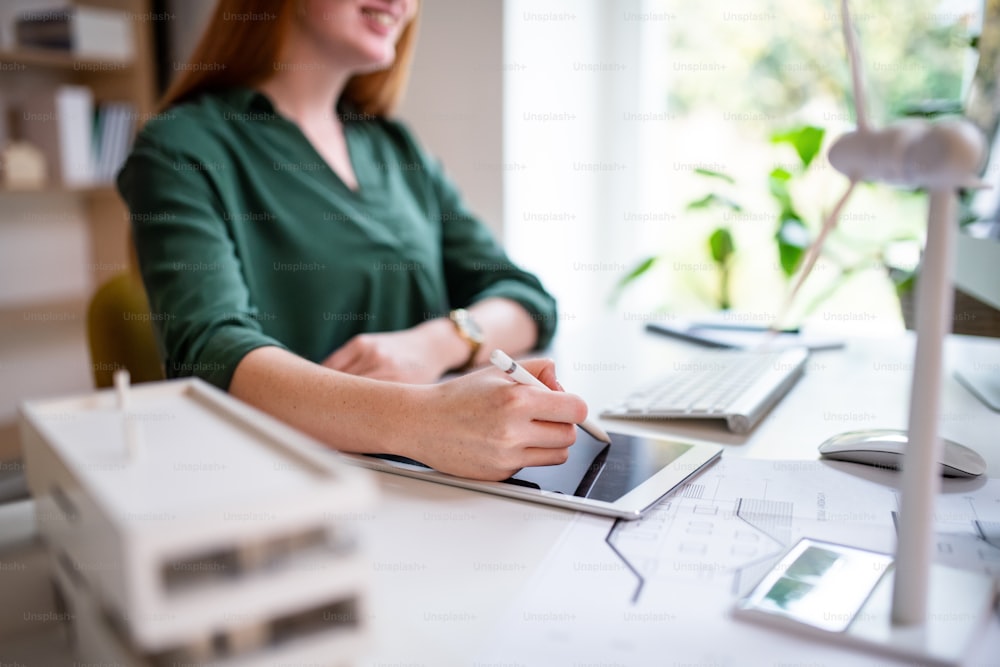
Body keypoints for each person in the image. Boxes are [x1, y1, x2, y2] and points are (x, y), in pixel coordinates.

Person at [116, 0, 587, 481]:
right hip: (284, 490)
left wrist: (435, 345)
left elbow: (527, 299)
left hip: (437, 482)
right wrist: (420, 420)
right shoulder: (181, 146)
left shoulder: (394, 146)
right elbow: (211, 354)